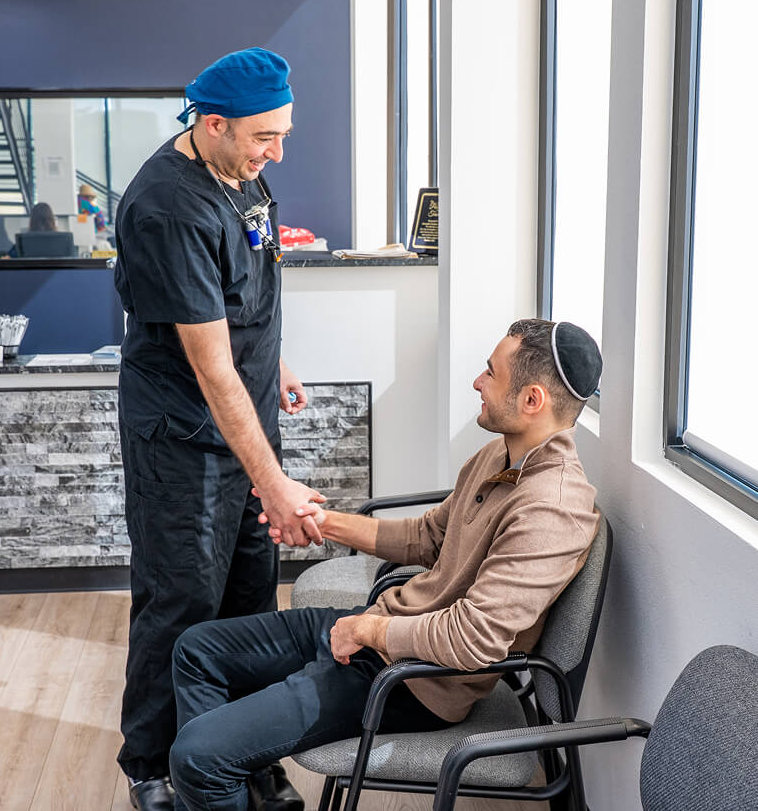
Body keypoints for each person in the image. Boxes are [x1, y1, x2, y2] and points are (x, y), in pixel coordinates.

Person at [167, 319, 604, 811]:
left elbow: (473, 640)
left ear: (532, 400)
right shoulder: (498, 456)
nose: (477, 382)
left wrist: (369, 632)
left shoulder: (553, 509)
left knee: (197, 757)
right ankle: (241, 786)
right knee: (196, 650)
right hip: (383, 630)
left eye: (490, 373)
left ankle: (217, 777)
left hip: (413, 681)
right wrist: (321, 521)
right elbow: (426, 537)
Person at [113, 48, 325, 811]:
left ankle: (234, 749)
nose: (278, 152)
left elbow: (242, 293)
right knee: (181, 602)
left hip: (242, 419)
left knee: (248, 599)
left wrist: (276, 362)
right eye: (266, 137)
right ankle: (153, 766)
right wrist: (276, 487)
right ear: (211, 125)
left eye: (284, 134)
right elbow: (207, 365)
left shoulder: (239, 170)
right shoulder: (167, 207)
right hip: (183, 437)